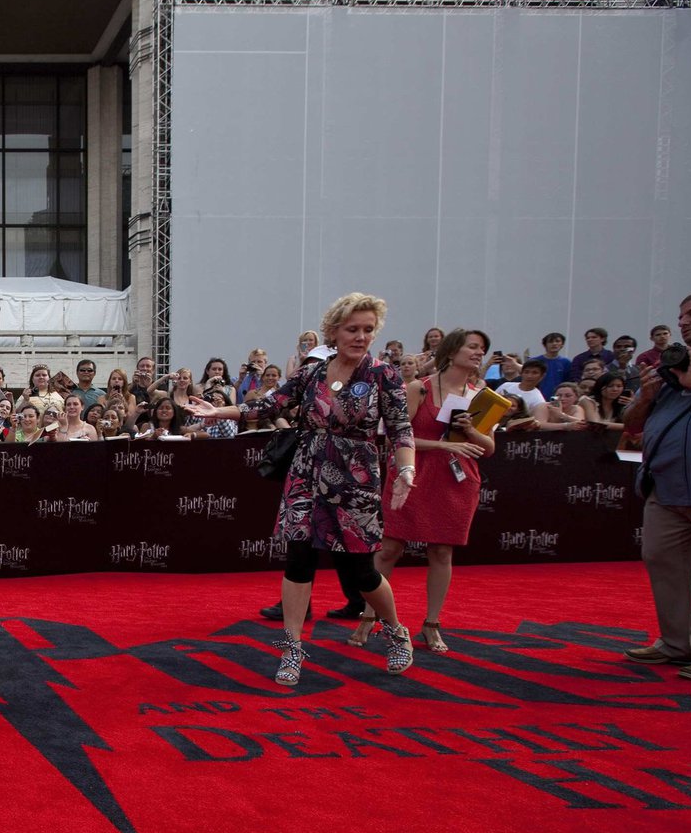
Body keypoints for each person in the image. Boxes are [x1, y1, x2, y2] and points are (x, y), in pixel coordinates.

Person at [188, 292, 417, 685]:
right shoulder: (312, 373)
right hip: (307, 471)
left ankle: (396, 630)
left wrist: (407, 470)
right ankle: (292, 648)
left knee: (362, 570)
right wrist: (218, 411)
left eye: (368, 329)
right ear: (333, 332)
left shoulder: (384, 375)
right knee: (298, 559)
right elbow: (268, 404)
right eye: (352, 329)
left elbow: (400, 429)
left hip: (355, 477)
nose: (361, 336)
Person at [358, 329, 496, 655]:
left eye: (482, 349)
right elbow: (396, 438)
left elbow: (489, 448)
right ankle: (369, 617)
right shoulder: (418, 388)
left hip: (457, 480)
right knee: (390, 548)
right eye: (473, 347)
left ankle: (432, 623)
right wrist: (443, 443)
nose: (479, 353)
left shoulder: (482, 396)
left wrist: (471, 431)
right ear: (452, 351)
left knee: (442, 552)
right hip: (413, 474)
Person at [621, 290, 691, 679]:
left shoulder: (689, 372)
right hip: (666, 487)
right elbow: (631, 423)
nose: (684, 321)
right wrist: (648, 395)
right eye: (682, 315)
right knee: (663, 560)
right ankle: (679, 644)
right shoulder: (667, 368)